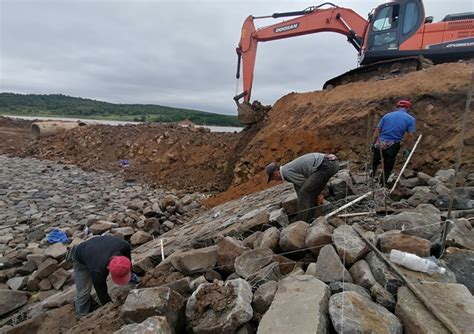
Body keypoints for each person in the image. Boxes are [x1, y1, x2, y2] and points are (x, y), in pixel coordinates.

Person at [67, 235, 133, 315]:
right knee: (84, 291)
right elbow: (102, 294)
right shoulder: (98, 271)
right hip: (80, 257)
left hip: (94, 247)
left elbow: (127, 264)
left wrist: (131, 274)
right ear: (108, 268)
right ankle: (82, 315)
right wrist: (112, 310)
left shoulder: (124, 245)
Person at [266, 152, 339, 222]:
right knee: (301, 189)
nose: (275, 180)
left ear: (275, 173)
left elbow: (304, 184)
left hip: (326, 166)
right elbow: (300, 186)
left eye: (273, 178)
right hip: (330, 163)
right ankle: (311, 215)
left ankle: (305, 221)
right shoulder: (288, 169)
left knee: (305, 192)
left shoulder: (285, 172)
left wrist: (319, 194)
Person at [370, 99, 416, 185]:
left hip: (380, 142)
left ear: (398, 107)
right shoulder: (410, 119)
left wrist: (373, 143)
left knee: (375, 161)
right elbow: (410, 136)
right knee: (388, 165)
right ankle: (382, 183)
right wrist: (408, 149)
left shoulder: (387, 116)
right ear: (407, 108)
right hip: (393, 144)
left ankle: (371, 178)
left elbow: (377, 130)